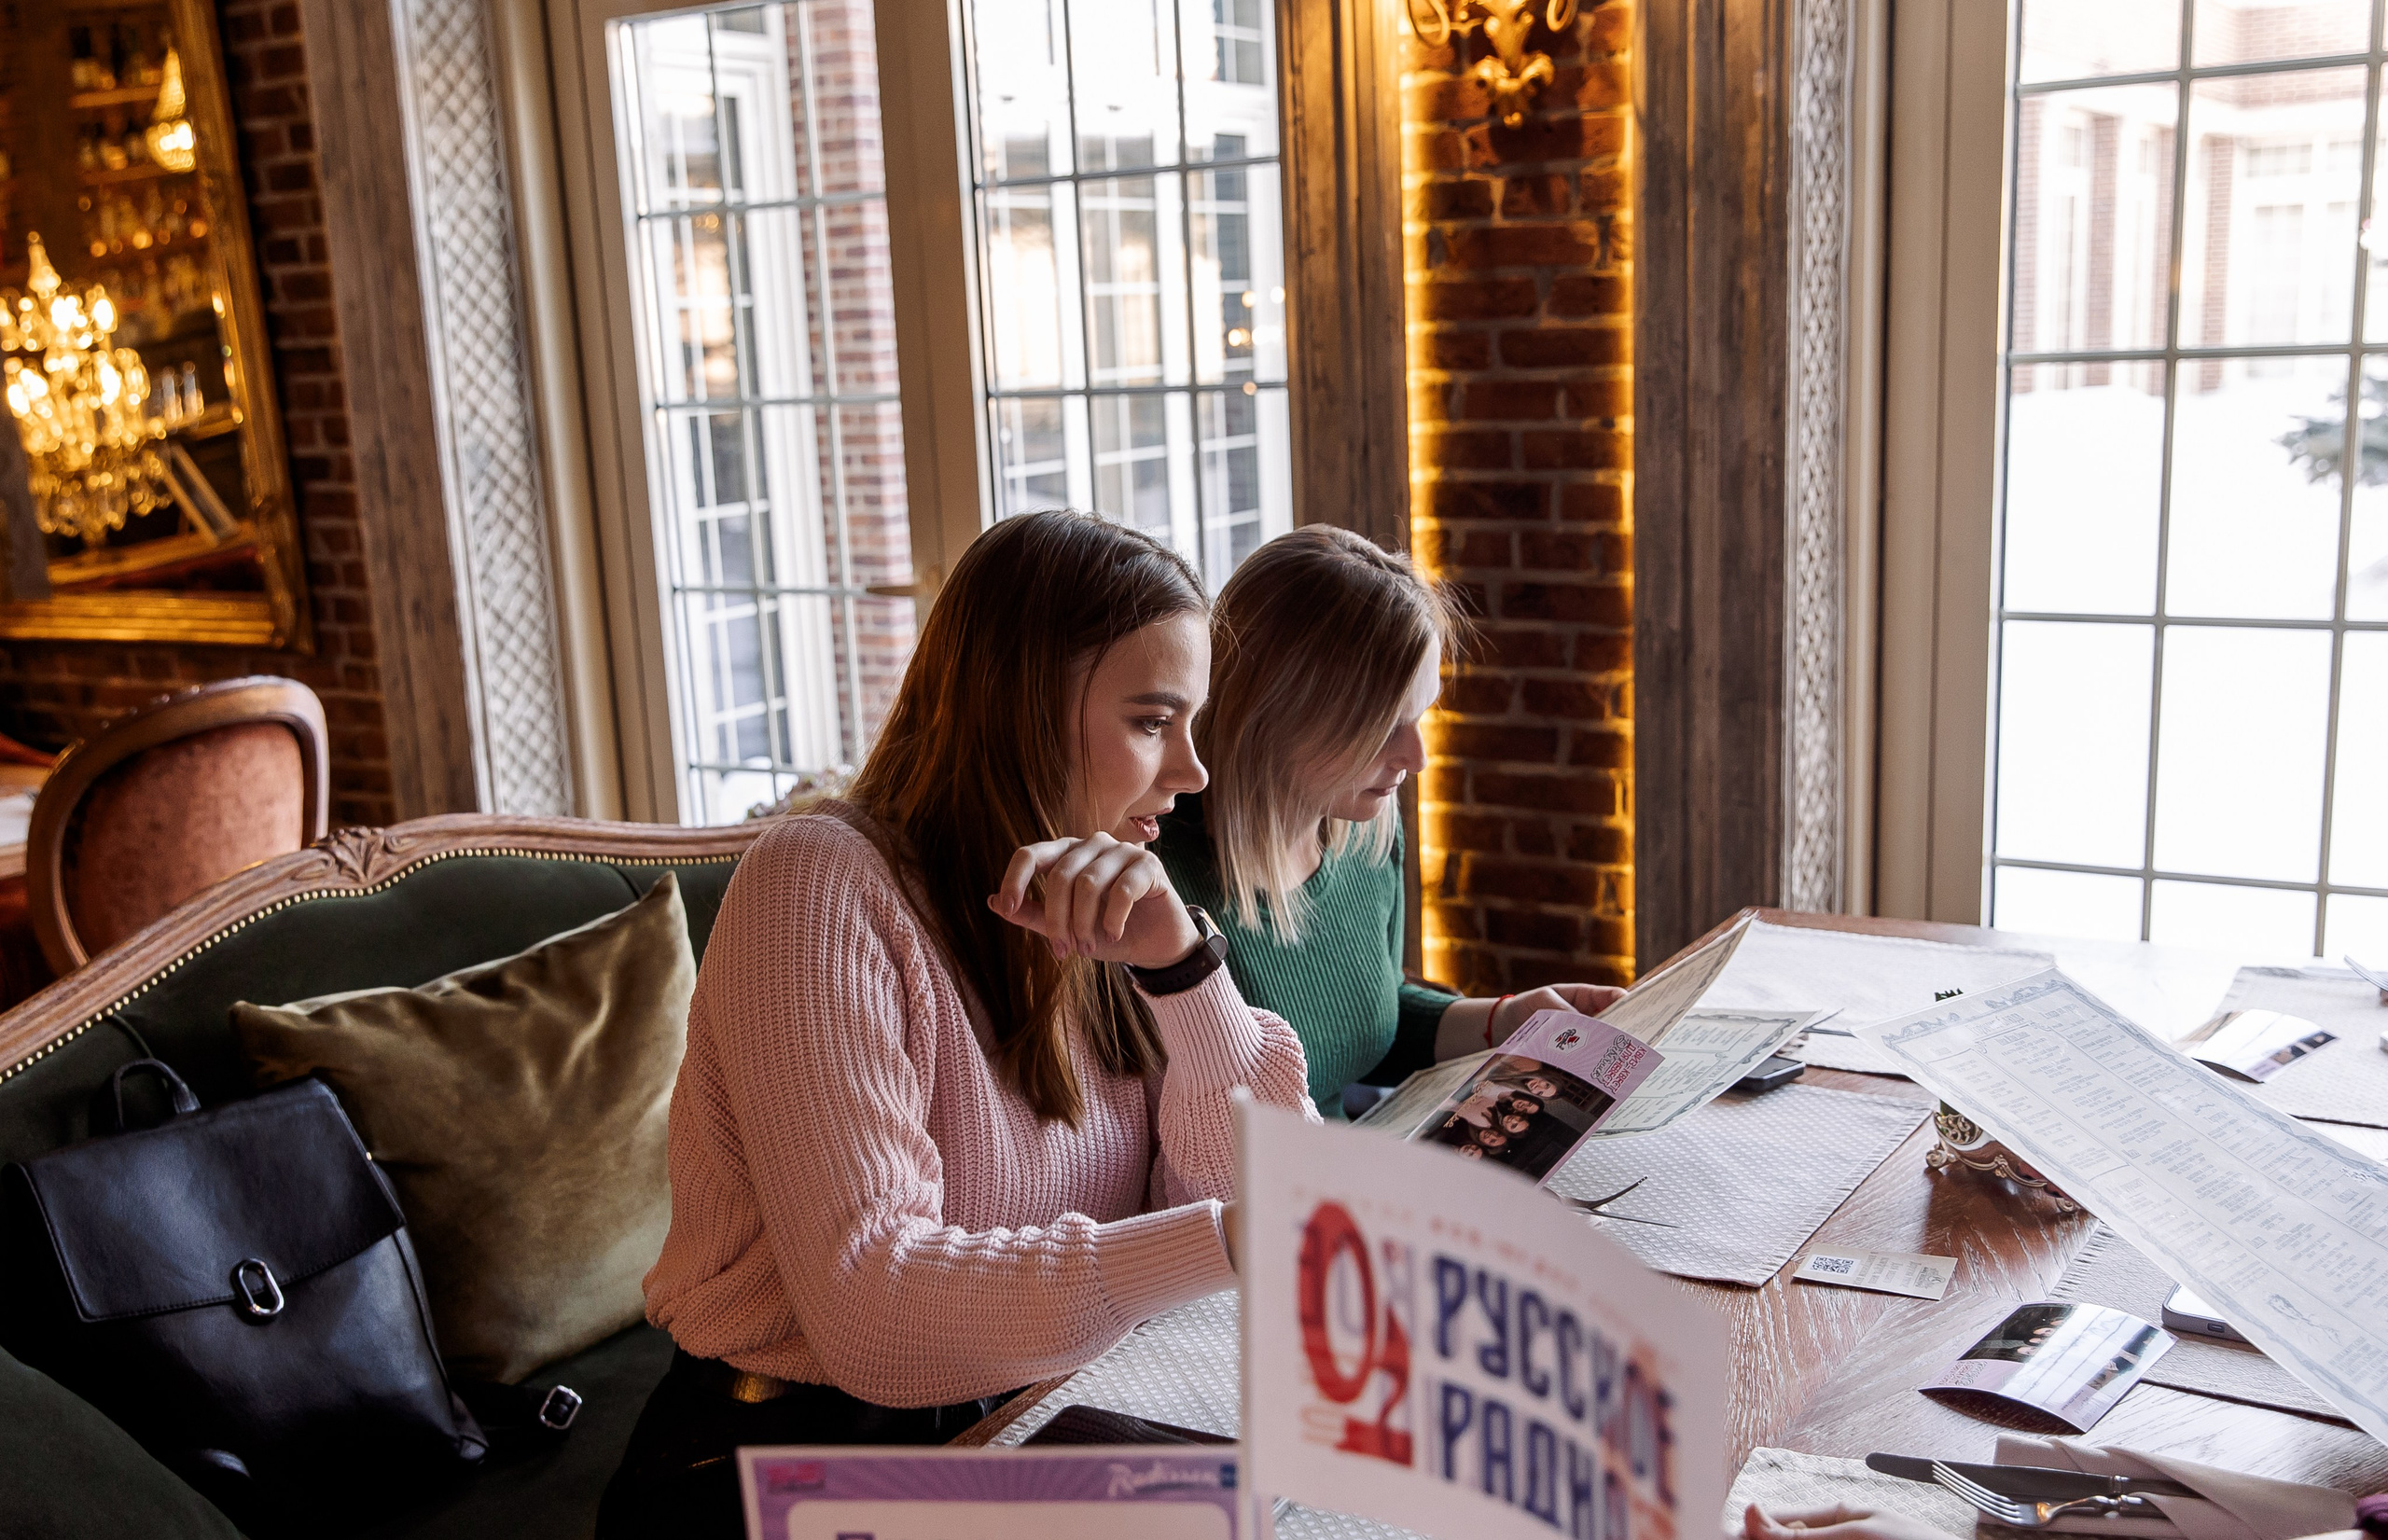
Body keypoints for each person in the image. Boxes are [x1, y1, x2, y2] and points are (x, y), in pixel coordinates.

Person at [598, 511, 1317, 1538]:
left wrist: (1186, 971)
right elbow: (874, 1311)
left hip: (1030, 1418)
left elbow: (1270, 1207)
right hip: (786, 1466)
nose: (1193, 771)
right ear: (1019, 708)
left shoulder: (1106, 903)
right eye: (1154, 721)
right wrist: (1224, 1241)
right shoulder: (819, 883)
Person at [1152, 526, 1627, 1117]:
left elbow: (1368, 1023)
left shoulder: (1364, 827)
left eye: (1421, 715)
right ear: (1277, 716)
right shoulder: (1160, 882)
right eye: (1383, 727)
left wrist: (1506, 1020)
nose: (1417, 758)